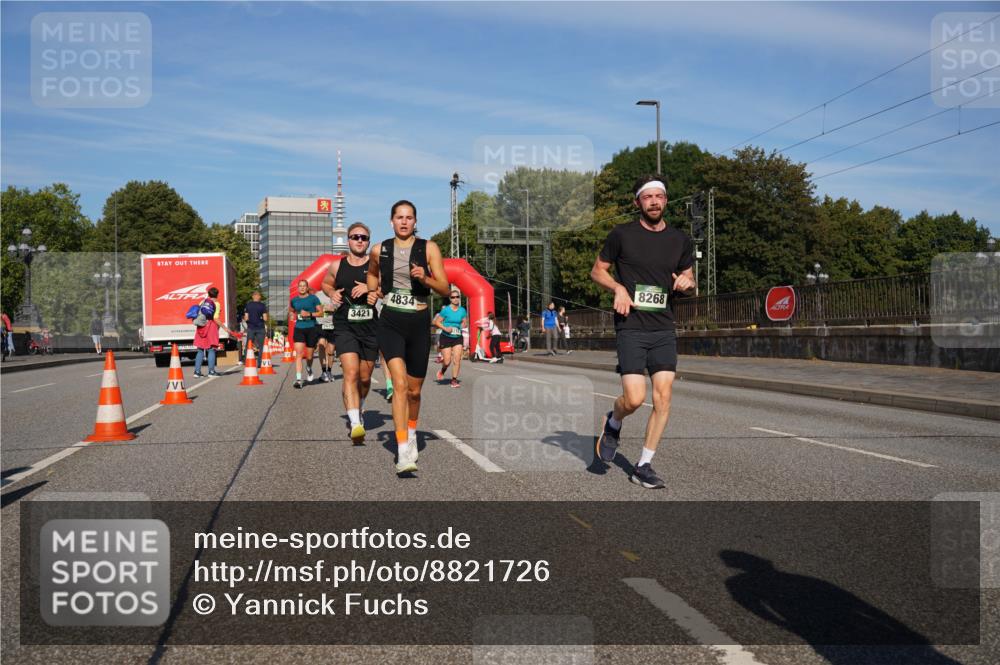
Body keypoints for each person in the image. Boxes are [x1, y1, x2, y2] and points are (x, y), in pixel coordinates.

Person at [591, 174, 695, 489]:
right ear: (638, 202)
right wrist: (618, 288)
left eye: (659, 197)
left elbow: (689, 277)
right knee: (635, 399)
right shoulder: (622, 235)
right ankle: (614, 420)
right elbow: (597, 271)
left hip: (663, 327)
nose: (654, 202)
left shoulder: (680, 239)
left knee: (663, 397)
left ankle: (643, 465)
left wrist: (687, 283)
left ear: (665, 201)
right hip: (631, 327)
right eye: (647, 197)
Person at [367, 200, 450, 473]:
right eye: (399, 217)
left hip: (418, 322)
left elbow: (445, 289)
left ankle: (411, 431)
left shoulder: (429, 248)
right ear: (391, 221)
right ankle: (403, 451)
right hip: (390, 321)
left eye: (409, 217)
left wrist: (425, 279)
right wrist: (372, 292)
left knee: (414, 392)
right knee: (400, 385)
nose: (404, 222)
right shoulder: (380, 249)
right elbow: (372, 274)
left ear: (415, 221)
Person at [323, 223, 379, 443]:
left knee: (365, 378)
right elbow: (325, 284)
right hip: (345, 326)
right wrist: (332, 293)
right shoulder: (337, 266)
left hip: (370, 327)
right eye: (355, 237)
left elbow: (387, 289)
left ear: (368, 241)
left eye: (364, 238)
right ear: (348, 240)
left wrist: (371, 289)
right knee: (351, 373)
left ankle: (360, 406)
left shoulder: (376, 266)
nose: (359, 241)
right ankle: (355, 423)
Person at [288, 279, 323, 388]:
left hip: (311, 328)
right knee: (298, 354)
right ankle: (299, 379)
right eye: (300, 286)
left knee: (309, 355)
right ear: (298, 288)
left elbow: (321, 313)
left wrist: (309, 314)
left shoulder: (313, 298)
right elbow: (291, 311)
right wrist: (291, 316)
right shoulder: (294, 300)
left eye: (304, 286)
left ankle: (309, 368)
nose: (302, 288)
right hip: (299, 328)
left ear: (307, 288)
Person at [194, 287, 236, 377]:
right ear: (217, 294)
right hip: (211, 327)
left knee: (200, 349)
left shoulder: (202, 302)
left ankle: (197, 372)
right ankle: (211, 371)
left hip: (201, 326)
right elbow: (215, 318)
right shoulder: (216, 303)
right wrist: (225, 328)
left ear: (208, 294)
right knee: (211, 349)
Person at [433, 289, 468, 387]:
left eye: (457, 297)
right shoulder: (446, 310)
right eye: (453, 297)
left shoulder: (462, 310)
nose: (455, 299)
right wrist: (445, 328)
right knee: (447, 361)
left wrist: (463, 325)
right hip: (446, 336)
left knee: (457, 359)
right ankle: (442, 370)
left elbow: (464, 321)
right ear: (450, 299)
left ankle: (454, 380)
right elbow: (436, 322)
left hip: (457, 337)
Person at [315, 288, 337, 382]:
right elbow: (314, 308)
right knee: (321, 345)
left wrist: (334, 308)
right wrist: (323, 308)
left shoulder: (336, 293)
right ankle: (323, 371)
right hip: (320, 323)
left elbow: (342, 306)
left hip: (333, 324)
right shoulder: (317, 295)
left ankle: (329, 371)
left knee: (331, 350)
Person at [243, 290, 269, 358]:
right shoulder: (262, 306)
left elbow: (246, 317)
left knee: (249, 344)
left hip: (251, 327)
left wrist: (248, 322)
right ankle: (260, 363)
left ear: (252, 297)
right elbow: (265, 318)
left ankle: (247, 360)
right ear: (259, 297)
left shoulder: (248, 305)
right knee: (261, 346)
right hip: (260, 327)